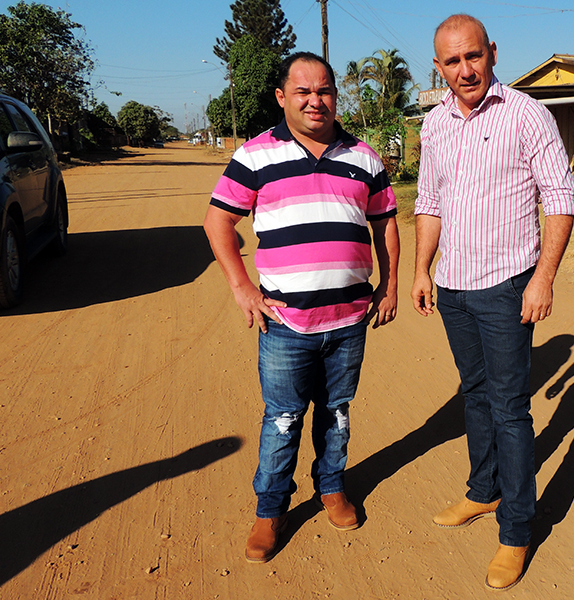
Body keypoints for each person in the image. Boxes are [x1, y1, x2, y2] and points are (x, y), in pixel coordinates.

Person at [204, 51, 399, 563]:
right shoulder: (255, 156)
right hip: (285, 322)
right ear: (282, 97)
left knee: (336, 412)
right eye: (304, 92)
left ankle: (331, 487)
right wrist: (243, 288)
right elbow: (217, 222)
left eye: (325, 91)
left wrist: (391, 285)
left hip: (350, 318)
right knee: (285, 417)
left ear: (336, 95)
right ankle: (270, 510)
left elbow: (385, 223)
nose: (316, 101)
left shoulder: (365, 157)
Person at [411, 14, 574, 591]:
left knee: (510, 406)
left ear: (492, 53)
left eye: (473, 56)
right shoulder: (434, 125)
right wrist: (421, 269)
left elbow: (559, 196)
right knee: (475, 395)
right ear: (438, 68)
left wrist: (544, 279)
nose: (465, 69)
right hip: (454, 285)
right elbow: (429, 200)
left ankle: (516, 529)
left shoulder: (527, 115)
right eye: (452, 61)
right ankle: (483, 493)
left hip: (508, 285)